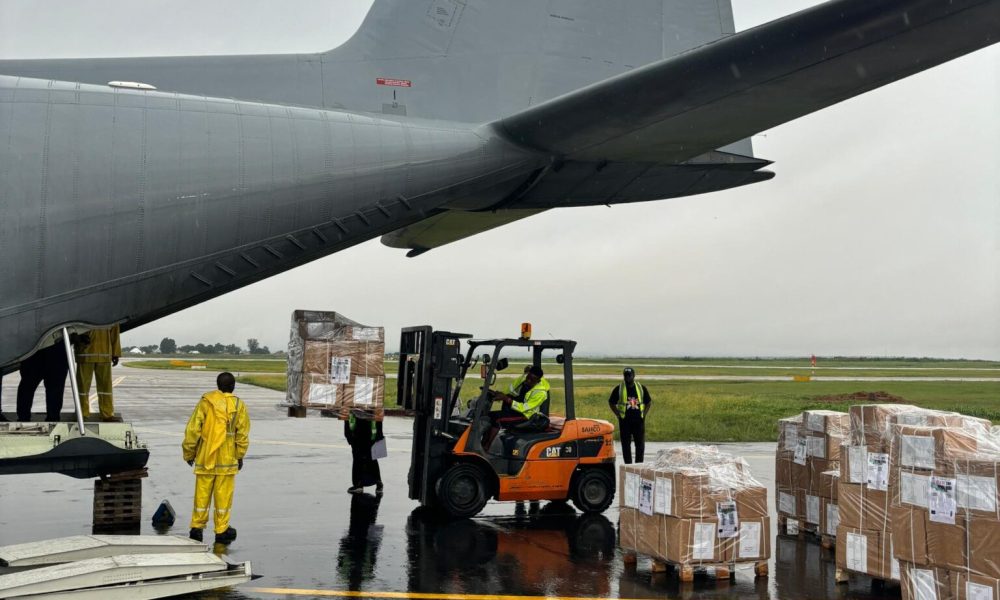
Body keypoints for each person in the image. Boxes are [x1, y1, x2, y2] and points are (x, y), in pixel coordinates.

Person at [182, 371, 250, 544]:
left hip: (206, 456)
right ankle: (221, 530)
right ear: (233, 387)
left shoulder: (206, 402)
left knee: (201, 494)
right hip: (227, 459)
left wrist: (189, 452)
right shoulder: (238, 404)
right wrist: (239, 455)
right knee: (224, 496)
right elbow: (242, 433)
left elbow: (193, 429)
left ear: (218, 386)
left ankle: (196, 528)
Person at [16, 332, 73, 422]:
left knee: (28, 386)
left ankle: (24, 417)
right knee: (53, 388)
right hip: (51, 349)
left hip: (36, 348)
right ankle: (52, 418)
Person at [75, 324, 121, 421]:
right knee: (97, 387)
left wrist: (115, 353)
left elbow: (115, 331)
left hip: (90, 354)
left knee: (99, 387)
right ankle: (101, 414)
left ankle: (85, 413)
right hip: (89, 354)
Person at [608, 367, 652, 464]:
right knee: (625, 445)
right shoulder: (619, 389)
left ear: (634, 376)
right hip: (625, 422)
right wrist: (618, 414)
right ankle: (628, 465)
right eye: (626, 376)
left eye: (629, 375)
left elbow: (648, 402)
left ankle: (639, 465)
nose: (628, 378)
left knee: (640, 445)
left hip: (638, 421)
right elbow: (611, 402)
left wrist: (643, 414)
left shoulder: (641, 388)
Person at [344, 411, 384, 495]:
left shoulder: (354, 401)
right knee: (371, 457)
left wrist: (348, 434)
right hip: (372, 427)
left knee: (358, 457)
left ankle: (358, 484)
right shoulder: (374, 401)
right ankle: (378, 482)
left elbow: (347, 410)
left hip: (357, 428)